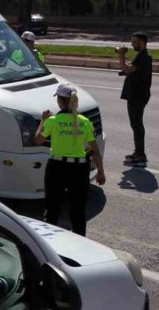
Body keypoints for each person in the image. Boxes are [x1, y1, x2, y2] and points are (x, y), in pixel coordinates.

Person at [35, 84, 106, 236]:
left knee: (52, 208)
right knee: (78, 211)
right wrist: (101, 172)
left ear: (60, 101)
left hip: (56, 167)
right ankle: (79, 244)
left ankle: (51, 246)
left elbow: (38, 139)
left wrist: (42, 120)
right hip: (79, 170)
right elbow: (95, 149)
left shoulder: (53, 120)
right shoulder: (85, 122)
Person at [116, 32, 152, 167]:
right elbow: (131, 69)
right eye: (132, 41)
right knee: (136, 125)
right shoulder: (142, 56)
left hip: (137, 95)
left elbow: (127, 68)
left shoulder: (144, 57)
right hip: (137, 94)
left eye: (135, 42)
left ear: (143, 42)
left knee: (137, 126)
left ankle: (140, 155)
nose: (132, 44)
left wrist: (121, 55)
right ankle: (138, 152)